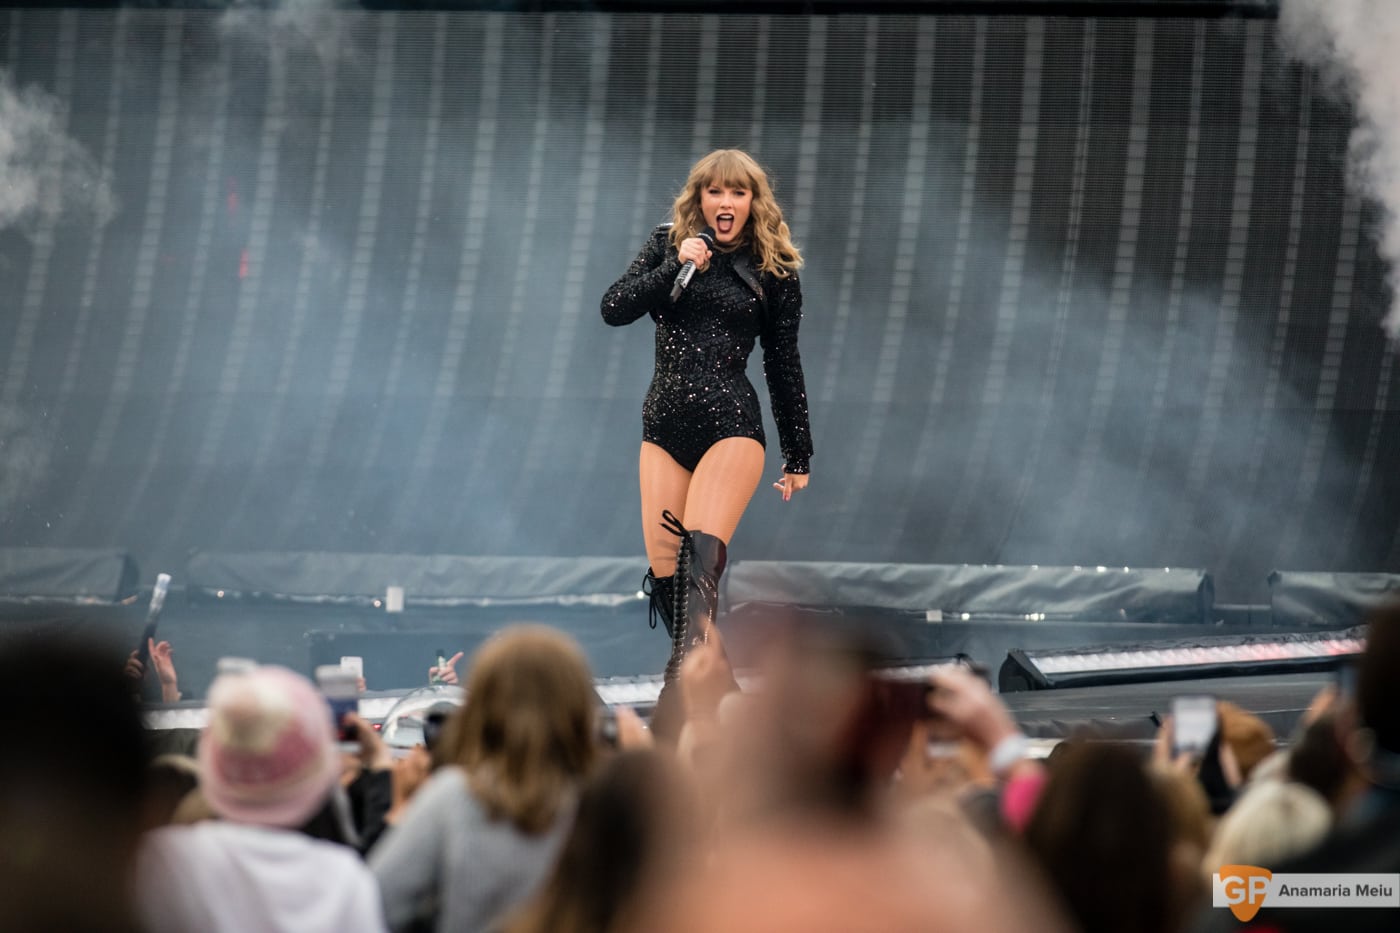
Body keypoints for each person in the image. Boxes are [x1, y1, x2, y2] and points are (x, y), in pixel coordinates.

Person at [600, 148, 814, 732]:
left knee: (698, 562)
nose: (726, 201)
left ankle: (677, 704)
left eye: (737, 192)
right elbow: (613, 308)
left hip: (731, 424)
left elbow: (782, 363)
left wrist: (798, 450)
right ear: (699, 198)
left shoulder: (772, 268)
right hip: (663, 426)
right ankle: (725, 702)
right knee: (668, 579)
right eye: (715, 191)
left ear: (752, 202)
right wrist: (675, 264)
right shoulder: (669, 245)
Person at [369, 625, 599, 932]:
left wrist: (397, 805)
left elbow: (373, 906)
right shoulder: (611, 801)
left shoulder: (453, 797)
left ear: (481, 705)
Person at [133, 664, 386, 933]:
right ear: (317, 777)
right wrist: (381, 768)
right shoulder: (346, 879)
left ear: (212, 763)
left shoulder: (161, 862)